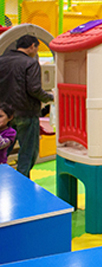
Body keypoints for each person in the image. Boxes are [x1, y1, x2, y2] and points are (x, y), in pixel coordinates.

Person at [0, 35, 54, 176]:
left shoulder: (2, 60)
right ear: (32, 46)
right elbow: (34, 89)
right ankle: (22, 182)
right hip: (26, 112)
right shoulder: (30, 63)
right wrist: (50, 97)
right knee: (28, 152)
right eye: (36, 48)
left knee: (4, 148)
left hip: (4, 115)